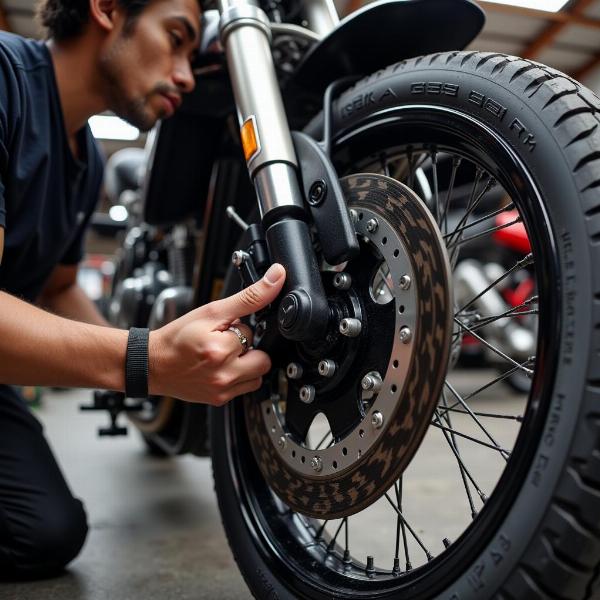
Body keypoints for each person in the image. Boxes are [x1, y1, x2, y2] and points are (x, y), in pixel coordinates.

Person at [0, 0, 286, 579]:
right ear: (106, 8)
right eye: (176, 37)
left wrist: (160, 358)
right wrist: (145, 360)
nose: (184, 73)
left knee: (46, 531)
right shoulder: (4, 77)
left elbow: (57, 287)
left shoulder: (87, 167)